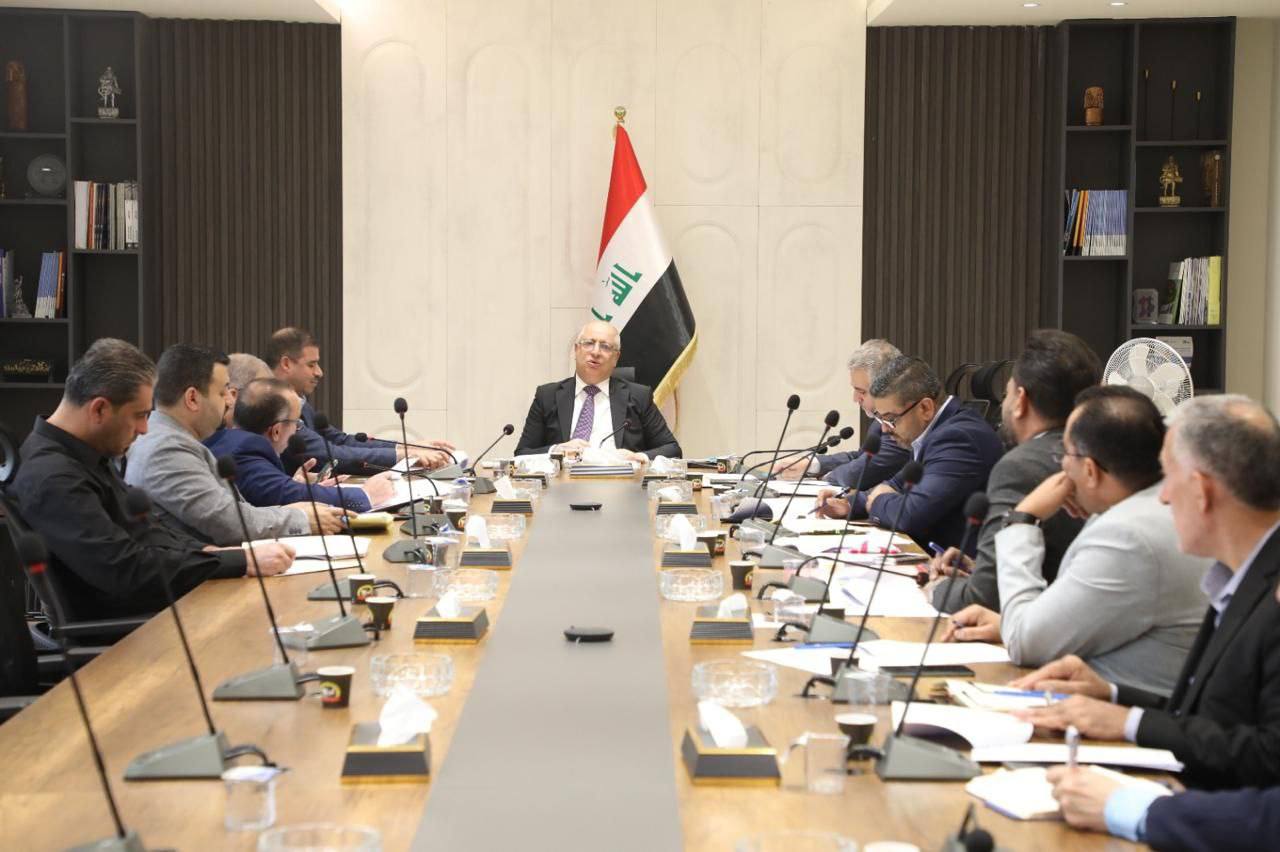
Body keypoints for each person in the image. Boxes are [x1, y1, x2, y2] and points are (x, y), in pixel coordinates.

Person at [1012, 394, 1280, 790]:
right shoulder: (1238, 574)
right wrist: (1113, 695)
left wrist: (1132, 727)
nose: (1164, 497)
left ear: (1201, 490)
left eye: (1168, 477)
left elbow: (1269, 756)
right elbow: (1210, 719)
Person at [941, 386, 1209, 696]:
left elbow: (1026, 644)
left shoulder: (1127, 535)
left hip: (1122, 713)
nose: (1063, 466)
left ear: (1091, 471)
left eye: (1066, 454)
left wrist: (1022, 519)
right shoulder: (1145, 508)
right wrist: (1007, 625)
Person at [8, 339, 293, 620]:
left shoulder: (85, 454)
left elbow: (147, 531)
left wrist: (212, 553)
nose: (145, 429)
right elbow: (127, 569)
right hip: (130, 632)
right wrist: (237, 561)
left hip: (158, 612)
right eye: (140, 415)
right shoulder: (52, 475)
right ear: (99, 409)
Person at [924, 330, 1098, 612]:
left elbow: (984, 598)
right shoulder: (1098, 458)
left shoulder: (1020, 467)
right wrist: (982, 567)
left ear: (1021, 401)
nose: (1003, 404)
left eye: (1005, 394)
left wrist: (938, 588)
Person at [125, 344, 345, 545]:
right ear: (192, 398)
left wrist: (287, 511)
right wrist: (302, 519)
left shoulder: (172, 439)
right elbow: (225, 522)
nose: (230, 401)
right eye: (222, 392)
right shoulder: (165, 449)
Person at [813, 355, 1002, 554]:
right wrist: (848, 504)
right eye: (881, 419)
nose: (885, 430)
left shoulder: (958, 438)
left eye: (891, 419)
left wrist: (877, 501)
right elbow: (896, 485)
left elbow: (911, 514)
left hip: (952, 564)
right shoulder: (934, 430)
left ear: (925, 408)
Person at [265, 326, 452, 473]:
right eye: (311, 365)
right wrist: (405, 456)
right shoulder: (272, 405)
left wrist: (407, 447)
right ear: (286, 364)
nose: (319, 372)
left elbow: (341, 440)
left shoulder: (298, 401)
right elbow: (329, 455)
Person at [212, 378, 397, 513]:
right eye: (297, 423)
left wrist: (292, 483)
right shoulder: (245, 454)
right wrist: (366, 495)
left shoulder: (232, 442)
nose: (298, 429)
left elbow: (279, 493)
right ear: (276, 431)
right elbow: (289, 495)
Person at [515, 320, 681, 461]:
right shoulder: (547, 396)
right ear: (576, 350)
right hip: (563, 483)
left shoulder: (638, 396)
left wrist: (638, 457)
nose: (595, 352)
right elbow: (522, 454)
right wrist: (556, 450)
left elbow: (672, 449)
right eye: (589, 343)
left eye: (605, 347)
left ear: (616, 358)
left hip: (620, 483)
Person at [773, 339, 909, 489]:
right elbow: (861, 457)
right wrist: (811, 464)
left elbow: (863, 470)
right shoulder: (881, 421)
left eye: (861, 392)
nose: (855, 399)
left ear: (888, 388)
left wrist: (828, 477)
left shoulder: (904, 421)